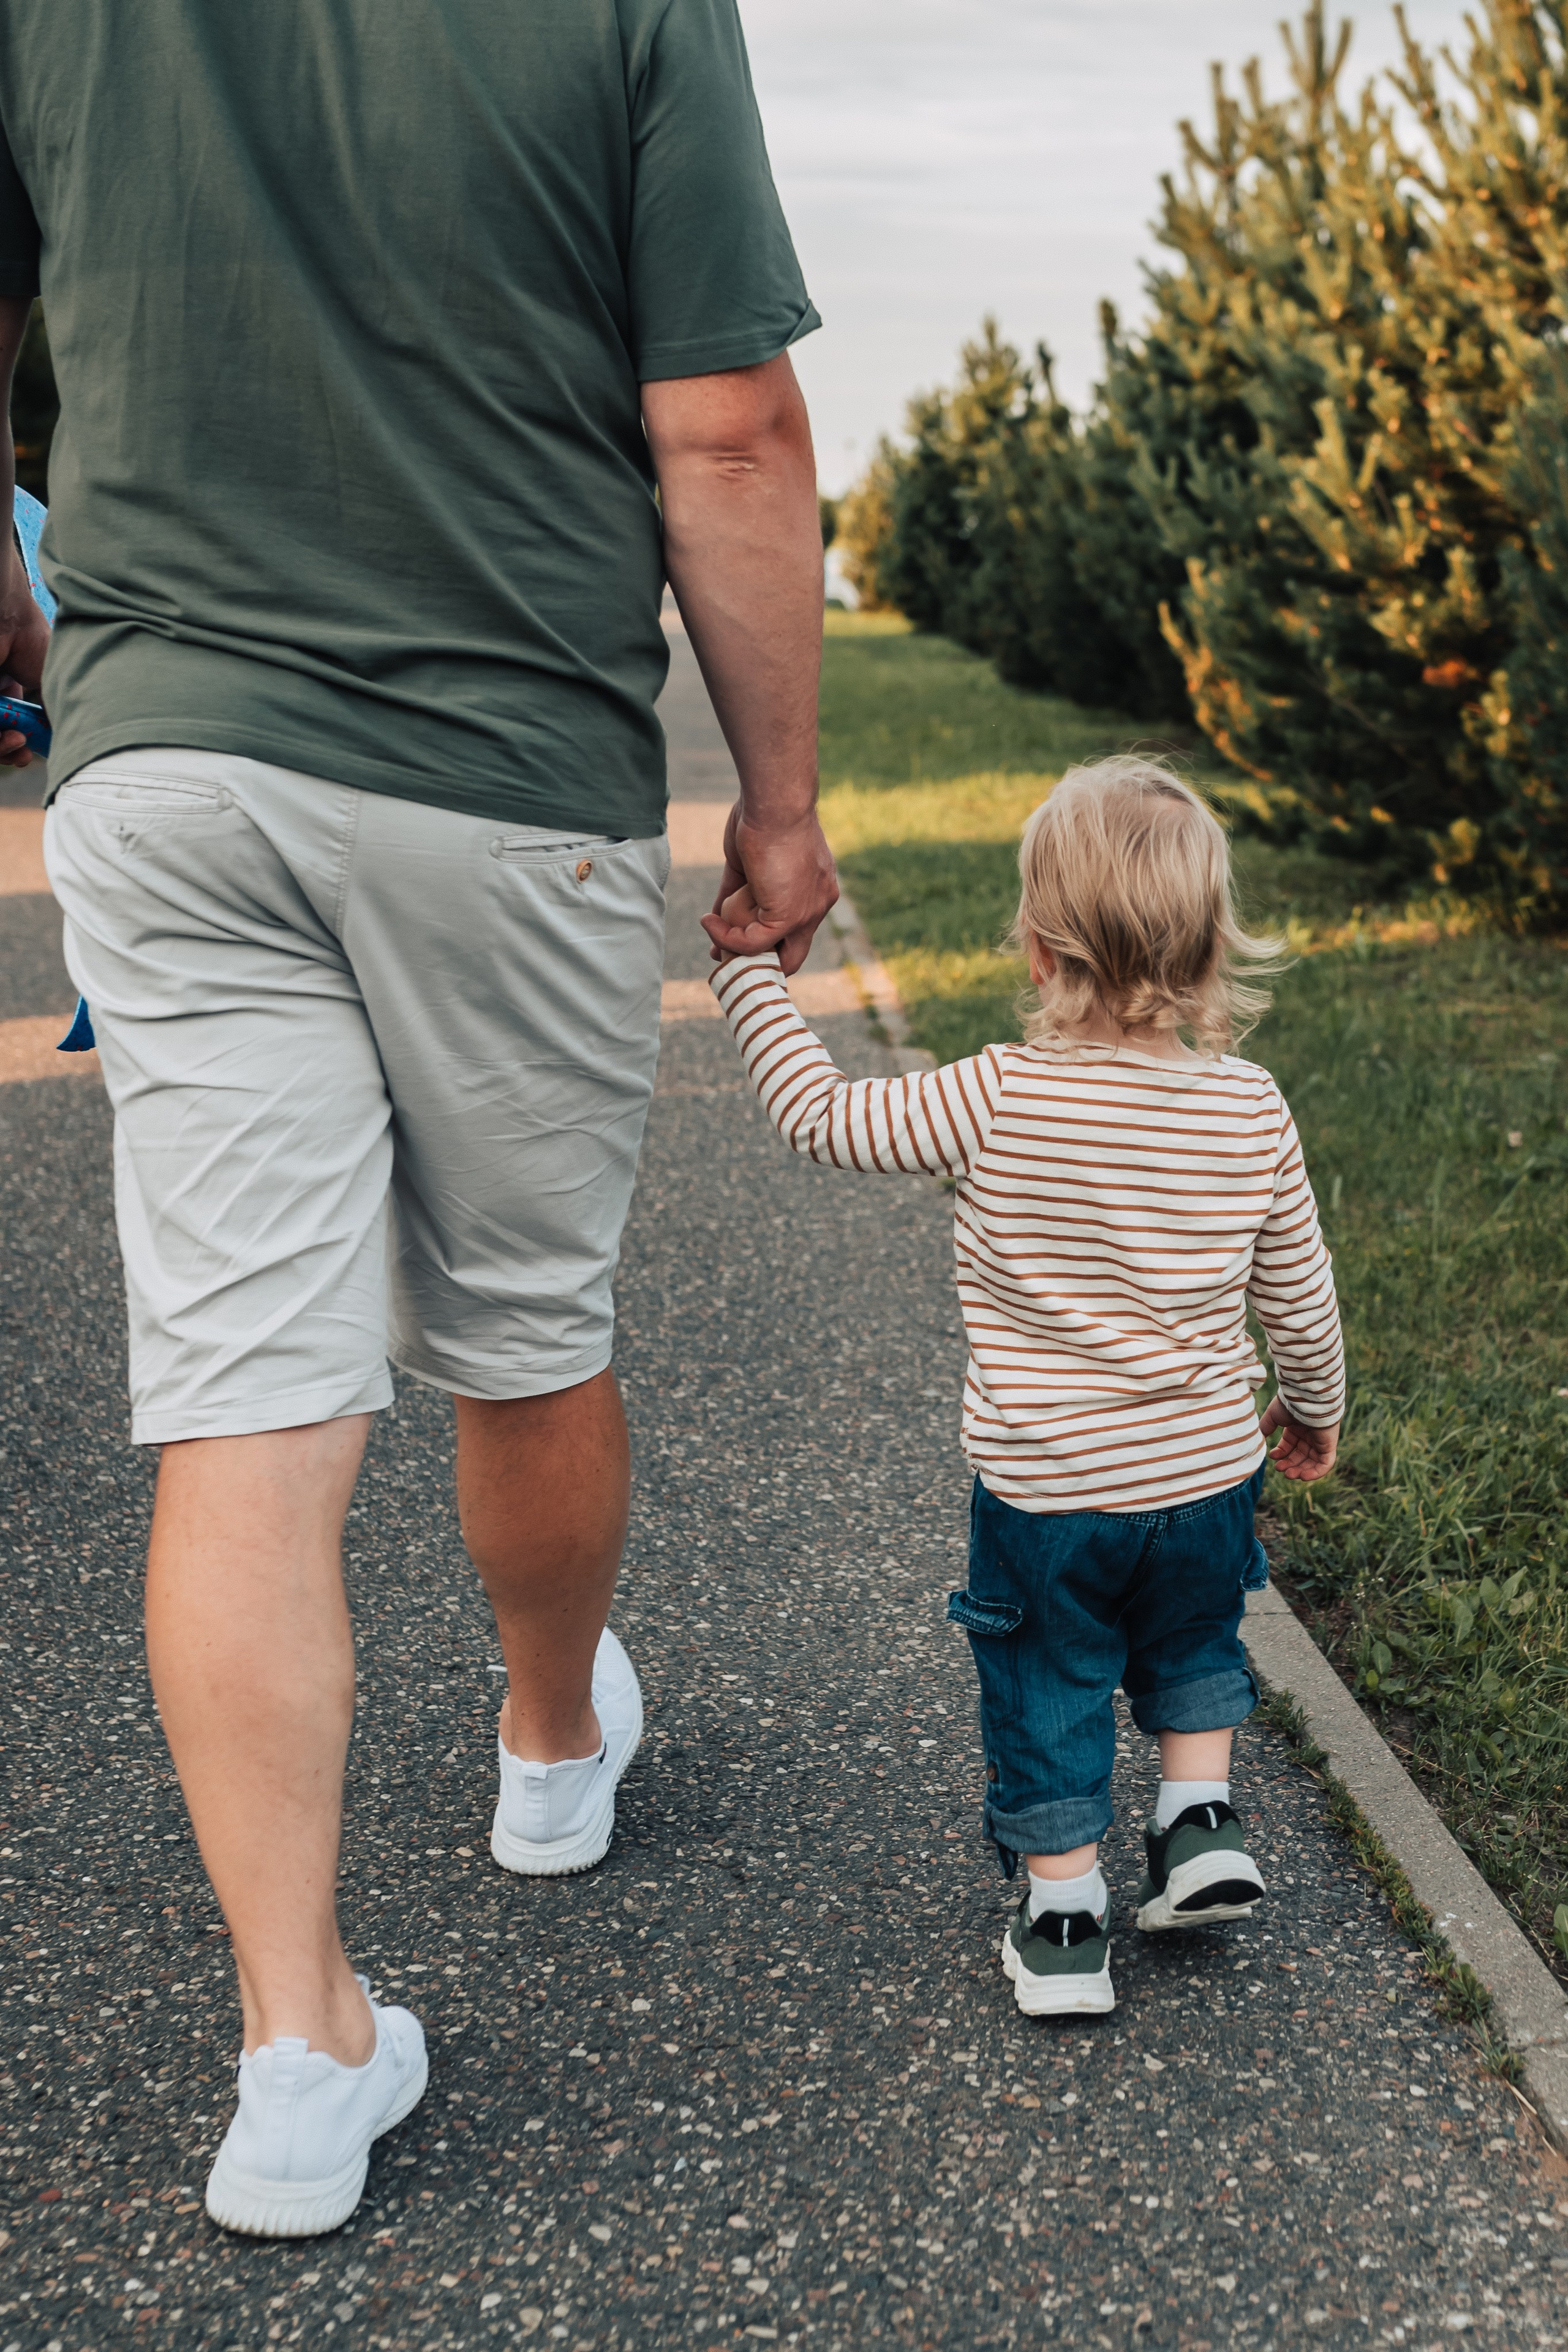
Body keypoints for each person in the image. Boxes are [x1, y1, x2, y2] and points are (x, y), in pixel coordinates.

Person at [0, 0, 836, 2236]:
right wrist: (776, 808)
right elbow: (731, 426)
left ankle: (299, 2052)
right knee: (526, 1325)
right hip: (512, 771)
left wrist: (32, 625)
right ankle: (550, 1750)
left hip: (170, 758)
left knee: (245, 1402)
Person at [707, 756, 1344, 2018]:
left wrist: (747, 976)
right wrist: (1312, 1407)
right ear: (1211, 950)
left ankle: (1063, 1921)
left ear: (1041, 951)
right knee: (1193, 1642)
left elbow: (820, 1117)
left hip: (1050, 1492)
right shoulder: (1249, 1107)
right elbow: (1299, 1293)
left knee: (1049, 1682)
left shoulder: (997, 1095)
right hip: (1206, 1477)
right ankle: (1196, 1821)